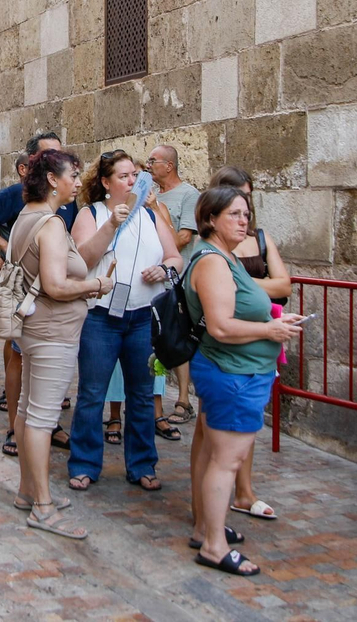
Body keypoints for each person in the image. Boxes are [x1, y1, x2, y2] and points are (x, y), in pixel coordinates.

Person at [185, 185, 302, 577]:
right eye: (234, 214)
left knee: (214, 454)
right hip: (231, 372)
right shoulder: (214, 262)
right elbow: (220, 325)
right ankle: (215, 547)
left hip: (235, 370)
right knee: (226, 460)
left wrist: (271, 323)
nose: (243, 220)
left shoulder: (224, 258)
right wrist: (270, 331)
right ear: (211, 219)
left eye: (246, 214)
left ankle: (206, 529)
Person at [9, 148, 110, 539]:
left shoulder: (26, 216)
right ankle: (43, 506)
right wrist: (96, 285)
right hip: (53, 334)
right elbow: (55, 284)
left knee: (26, 410)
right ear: (53, 179)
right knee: (42, 418)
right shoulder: (50, 223)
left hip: (37, 330)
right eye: (72, 175)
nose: (75, 182)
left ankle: (27, 490)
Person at [66, 150, 181, 492]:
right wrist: (113, 224)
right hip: (100, 318)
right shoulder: (92, 214)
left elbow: (175, 255)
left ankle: (142, 463)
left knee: (143, 394)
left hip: (143, 317)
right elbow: (82, 259)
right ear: (105, 183)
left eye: (135, 175)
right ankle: (85, 463)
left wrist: (166, 269)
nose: (132, 181)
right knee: (92, 392)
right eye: (124, 176)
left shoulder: (150, 214)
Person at [0, 132, 78, 457]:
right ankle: (15, 425)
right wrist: (2, 251)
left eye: (60, 155)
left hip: (54, 296)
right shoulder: (18, 194)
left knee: (48, 362)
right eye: (49, 156)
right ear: (33, 164)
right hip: (25, 292)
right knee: (18, 355)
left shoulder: (68, 199)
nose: (58, 160)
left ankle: (48, 422)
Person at [208, 166, 291, 522]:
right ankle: (215, 502)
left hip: (261, 337)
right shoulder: (211, 250)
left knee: (250, 418)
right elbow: (219, 291)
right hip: (229, 343)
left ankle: (244, 490)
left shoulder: (259, 237)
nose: (245, 210)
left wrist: (241, 288)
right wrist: (254, 287)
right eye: (237, 200)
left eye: (248, 199)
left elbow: (284, 285)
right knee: (219, 425)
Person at [147, 143, 200, 427]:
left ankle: (183, 400)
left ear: (169, 165)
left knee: (178, 336)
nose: (148, 165)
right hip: (153, 280)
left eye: (153, 160)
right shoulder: (148, 196)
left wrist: (157, 211)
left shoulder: (189, 195)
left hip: (178, 281)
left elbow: (182, 240)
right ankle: (153, 403)